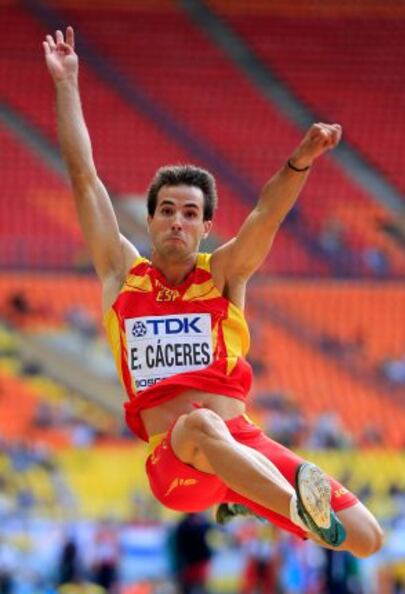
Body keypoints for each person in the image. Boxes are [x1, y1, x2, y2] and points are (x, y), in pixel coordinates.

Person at [43, 27, 383, 558]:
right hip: (176, 461)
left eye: (191, 213)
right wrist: (67, 84)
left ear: (205, 227)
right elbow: (84, 178)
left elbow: (266, 213)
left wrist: (302, 159)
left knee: (365, 539)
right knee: (199, 423)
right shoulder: (120, 273)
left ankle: (248, 495)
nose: (177, 221)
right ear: (150, 219)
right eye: (167, 211)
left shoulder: (223, 275)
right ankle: (287, 508)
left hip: (239, 441)